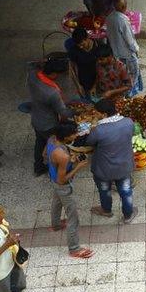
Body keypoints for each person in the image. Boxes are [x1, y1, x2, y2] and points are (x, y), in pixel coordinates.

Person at [47, 122, 94, 259]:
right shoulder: (63, 156)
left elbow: (46, 155)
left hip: (53, 179)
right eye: (74, 133)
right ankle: (74, 248)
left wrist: (68, 161)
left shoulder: (51, 140)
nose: (76, 135)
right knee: (72, 217)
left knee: (56, 202)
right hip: (63, 186)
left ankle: (55, 225)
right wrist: (78, 166)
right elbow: (63, 180)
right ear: (66, 136)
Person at [85, 99, 136, 223]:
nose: (95, 115)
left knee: (104, 190)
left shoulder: (98, 130)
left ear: (103, 114)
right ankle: (128, 215)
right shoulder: (128, 122)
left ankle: (106, 210)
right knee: (125, 191)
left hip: (103, 169)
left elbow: (89, 142)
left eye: (96, 113)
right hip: (123, 166)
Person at [29, 58, 73, 176]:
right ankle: (58, 169)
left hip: (36, 119)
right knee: (55, 144)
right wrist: (76, 113)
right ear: (53, 73)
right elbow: (63, 111)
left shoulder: (32, 76)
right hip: (49, 124)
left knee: (39, 142)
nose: (60, 77)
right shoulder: (51, 93)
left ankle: (38, 167)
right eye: (59, 75)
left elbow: (33, 65)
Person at [106, 0, 142, 96]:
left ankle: (123, 93)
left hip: (116, 54)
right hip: (127, 54)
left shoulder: (109, 17)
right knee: (132, 75)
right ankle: (129, 95)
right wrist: (136, 50)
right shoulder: (123, 20)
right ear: (123, 7)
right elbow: (129, 40)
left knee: (121, 75)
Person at [64, 28, 99, 98]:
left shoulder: (97, 46)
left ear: (87, 38)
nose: (81, 47)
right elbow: (72, 68)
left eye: (82, 44)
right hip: (84, 81)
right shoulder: (74, 50)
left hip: (99, 79)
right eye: (78, 45)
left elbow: (101, 67)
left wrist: (95, 84)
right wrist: (78, 85)